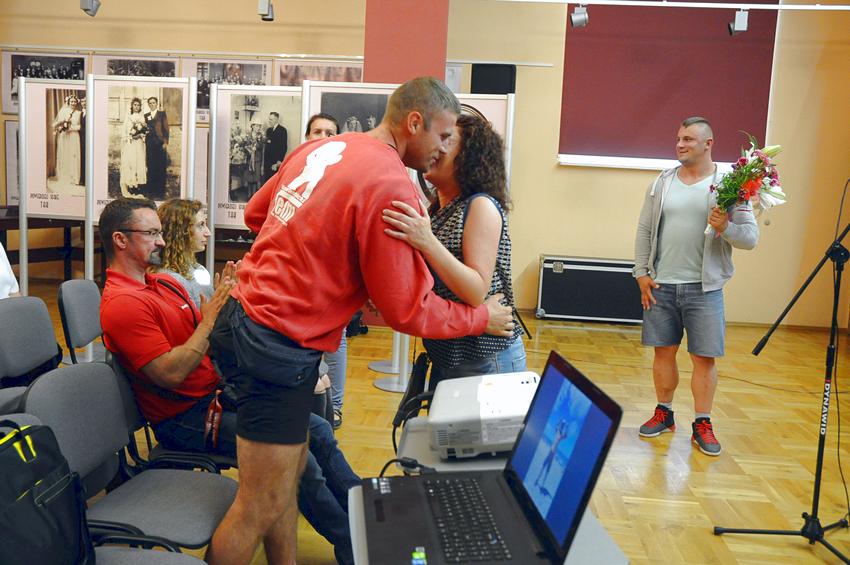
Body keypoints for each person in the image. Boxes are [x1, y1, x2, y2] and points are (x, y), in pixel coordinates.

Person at [205, 76, 514, 564]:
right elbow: (407, 309)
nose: (442, 148)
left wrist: (314, 254)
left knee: (286, 478)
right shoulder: (392, 183)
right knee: (259, 503)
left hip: (242, 321)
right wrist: (479, 318)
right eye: (441, 135)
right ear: (414, 123)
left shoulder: (320, 147)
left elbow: (257, 213)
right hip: (276, 343)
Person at [99, 198, 360, 565]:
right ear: (120, 240)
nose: (162, 241)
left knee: (317, 429)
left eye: (160, 232)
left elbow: (208, 341)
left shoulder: (161, 285)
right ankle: (353, 542)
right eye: (152, 233)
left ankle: (366, 513)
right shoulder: (123, 303)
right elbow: (171, 373)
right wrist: (211, 320)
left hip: (215, 397)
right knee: (296, 459)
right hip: (184, 419)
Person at [633, 116, 758, 456]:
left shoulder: (730, 185)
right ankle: (664, 413)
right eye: (678, 138)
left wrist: (725, 227)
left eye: (688, 139)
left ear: (708, 144)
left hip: (705, 290)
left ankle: (702, 422)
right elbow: (645, 229)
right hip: (661, 285)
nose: (680, 144)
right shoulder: (662, 182)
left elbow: (749, 238)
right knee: (663, 352)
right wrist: (641, 272)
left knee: (704, 358)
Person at [382, 112, 526, 388]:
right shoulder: (440, 209)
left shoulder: (480, 205)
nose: (437, 146)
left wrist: (426, 240)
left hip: (484, 358)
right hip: (450, 354)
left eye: (447, 140)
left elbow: (476, 291)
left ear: (470, 156)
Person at [301, 113, 348, 427]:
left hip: (332, 266)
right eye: (317, 131)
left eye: (329, 132)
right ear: (307, 136)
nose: (322, 136)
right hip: (299, 265)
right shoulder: (295, 169)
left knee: (336, 335)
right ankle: (309, 399)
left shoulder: (345, 175)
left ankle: (336, 405)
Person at [52, 95, 83, 187]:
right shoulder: (63, 112)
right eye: (71, 101)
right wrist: (62, 126)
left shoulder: (79, 113)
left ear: (76, 103)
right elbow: (55, 124)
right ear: (68, 102)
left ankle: (74, 177)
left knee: (73, 155)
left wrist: (71, 128)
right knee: (65, 154)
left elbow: (80, 126)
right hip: (64, 136)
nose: (73, 103)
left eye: (74, 102)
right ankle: (64, 176)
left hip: (74, 136)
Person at [119, 97, 147, 197]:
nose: (136, 107)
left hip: (139, 144)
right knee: (131, 162)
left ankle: (138, 186)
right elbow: (125, 132)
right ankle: (130, 184)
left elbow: (144, 131)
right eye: (135, 105)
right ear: (132, 106)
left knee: (139, 162)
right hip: (131, 143)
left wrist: (141, 134)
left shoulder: (142, 118)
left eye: (138, 105)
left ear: (140, 107)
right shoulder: (128, 117)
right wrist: (131, 136)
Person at [144, 97, 169, 199]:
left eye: (153, 103)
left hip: (160, 144)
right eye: (150, 103)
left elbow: (166, 129)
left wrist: (165, 142)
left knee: (161, 167)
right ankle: (151, 191)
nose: (152, 104)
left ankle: (160, 192)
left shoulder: (162, 114)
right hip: (150, 144)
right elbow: (144, 129)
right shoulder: (146, 116)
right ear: (148, 104)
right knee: (151, 167)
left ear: (157, 104)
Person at [263, 111, 288, 183]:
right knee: (267, 181)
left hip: (275, 161)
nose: (269, 121)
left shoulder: (282, 130)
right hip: (267, 161)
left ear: (277, 119)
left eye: (271, 119)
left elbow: (284, 147)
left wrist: (279, 161)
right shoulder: (268, 130)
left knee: (274, 181)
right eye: (269, 119)